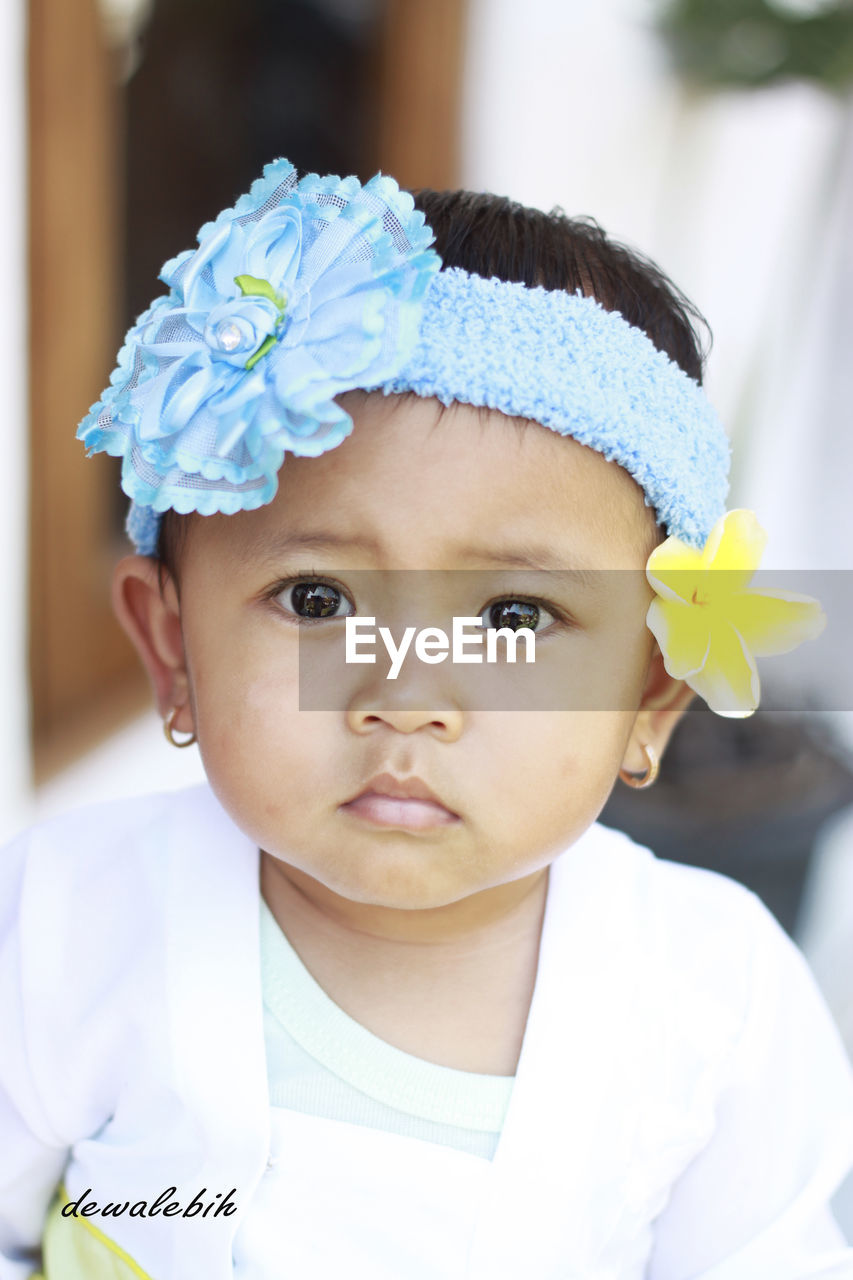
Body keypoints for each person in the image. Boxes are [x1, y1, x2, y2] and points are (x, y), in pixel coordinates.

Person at [1, 158, 851, 1279]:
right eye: (317, 600)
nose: (405, 691)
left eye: (512, 613)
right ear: (173, 648)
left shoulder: (715, 1004)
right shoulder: (67, 923)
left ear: (647, 694)